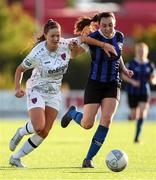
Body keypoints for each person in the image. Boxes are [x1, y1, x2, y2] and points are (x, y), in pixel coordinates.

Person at [9, 19, 118, 168]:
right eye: (52, 36)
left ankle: (16, 158)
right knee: (38, 126)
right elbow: (20, 69)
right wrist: (17, 88)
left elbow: (85, 38)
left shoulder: (66, 44)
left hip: (54, 93)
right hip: (37, 90)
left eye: (58, 35)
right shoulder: (37, 53)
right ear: (46, 36)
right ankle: (20, 132)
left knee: (45, 131)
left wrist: (105, 45)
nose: (56, 39)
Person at [61, 12, 133, 168]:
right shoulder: (93, 38)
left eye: (110, 25)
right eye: (104, 25)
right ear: (99, 25)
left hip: (113, 83)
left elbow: (118, 54)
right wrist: (73, 49)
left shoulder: (120, 36)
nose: (108, 29)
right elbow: (73, 55)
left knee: (106, 120)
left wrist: (125, 69)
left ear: (115, 24)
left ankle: (88, 159)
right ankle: (73, 113)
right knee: (87, 124)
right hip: (95, 84)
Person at [122, 42, 156, 143]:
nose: (141, 52)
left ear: (146, 52)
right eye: (140, 50)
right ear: (137, 51)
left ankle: (137, 137)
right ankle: (130, 116)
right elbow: (124, 76)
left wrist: (153, 81)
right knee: (134, 116)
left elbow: (154, 77)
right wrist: (132, 81)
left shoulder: (150, 65)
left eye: (143, 51)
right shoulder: (131, 63)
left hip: (145, 91)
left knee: (142, 113)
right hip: (132, 92)